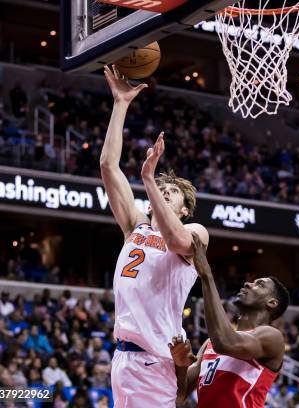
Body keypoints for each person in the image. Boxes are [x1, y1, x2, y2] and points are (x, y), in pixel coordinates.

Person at [101, 65, 209, 407]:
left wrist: (149, 180)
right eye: (160, 188)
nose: (164, 191)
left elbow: (177, 241)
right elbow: (108, 166)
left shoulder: (195, 232)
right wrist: (120, 104)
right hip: (122, 359)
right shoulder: (135, 225)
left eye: (171, 192)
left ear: (184, 209)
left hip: (155, 360)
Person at [169, 232, 289, 407]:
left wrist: (207, 276)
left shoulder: (272, 337)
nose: (248, 283)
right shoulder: (209, 343)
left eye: (260, 284)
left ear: (272, 302)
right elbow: (179, 397)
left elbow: (225, 342)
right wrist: (180, 366)